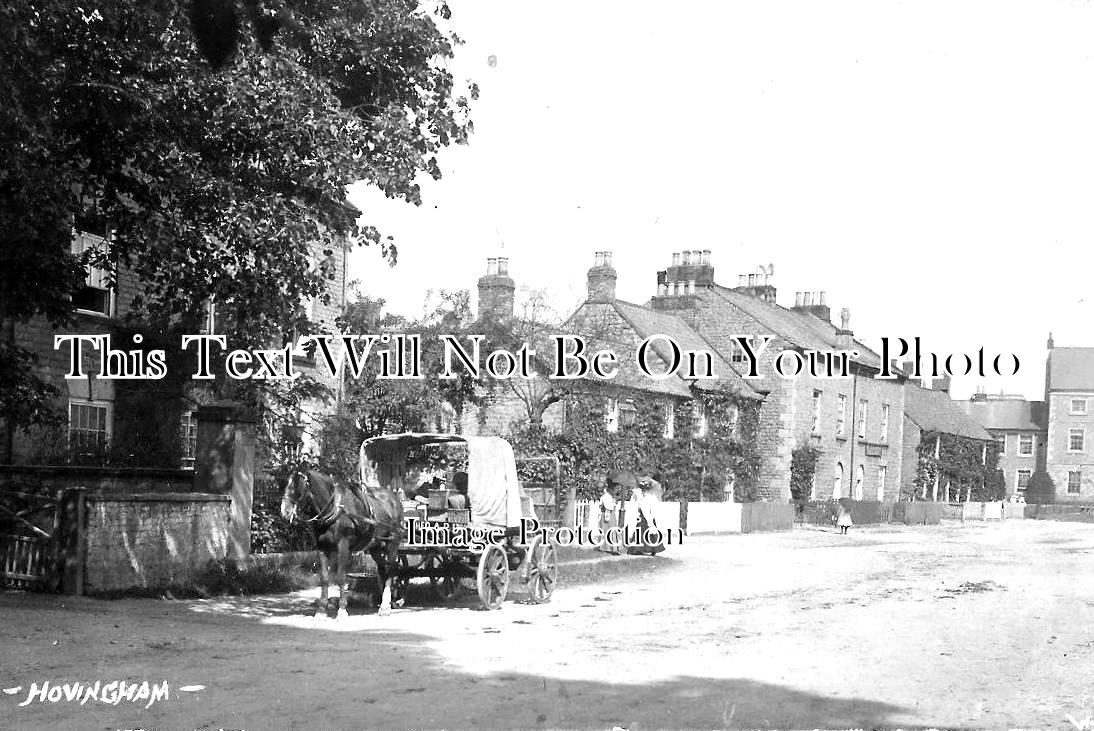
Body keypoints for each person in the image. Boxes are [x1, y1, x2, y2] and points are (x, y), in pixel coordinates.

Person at [596, 483, 618, 553]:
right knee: (607, 530)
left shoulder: (610, 496)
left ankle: (611, 547)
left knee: (610, 530)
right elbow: (608, 507)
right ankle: (607, 547)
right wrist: (613, 502)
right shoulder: (606, 496)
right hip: (607, 514)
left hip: (610, 514)